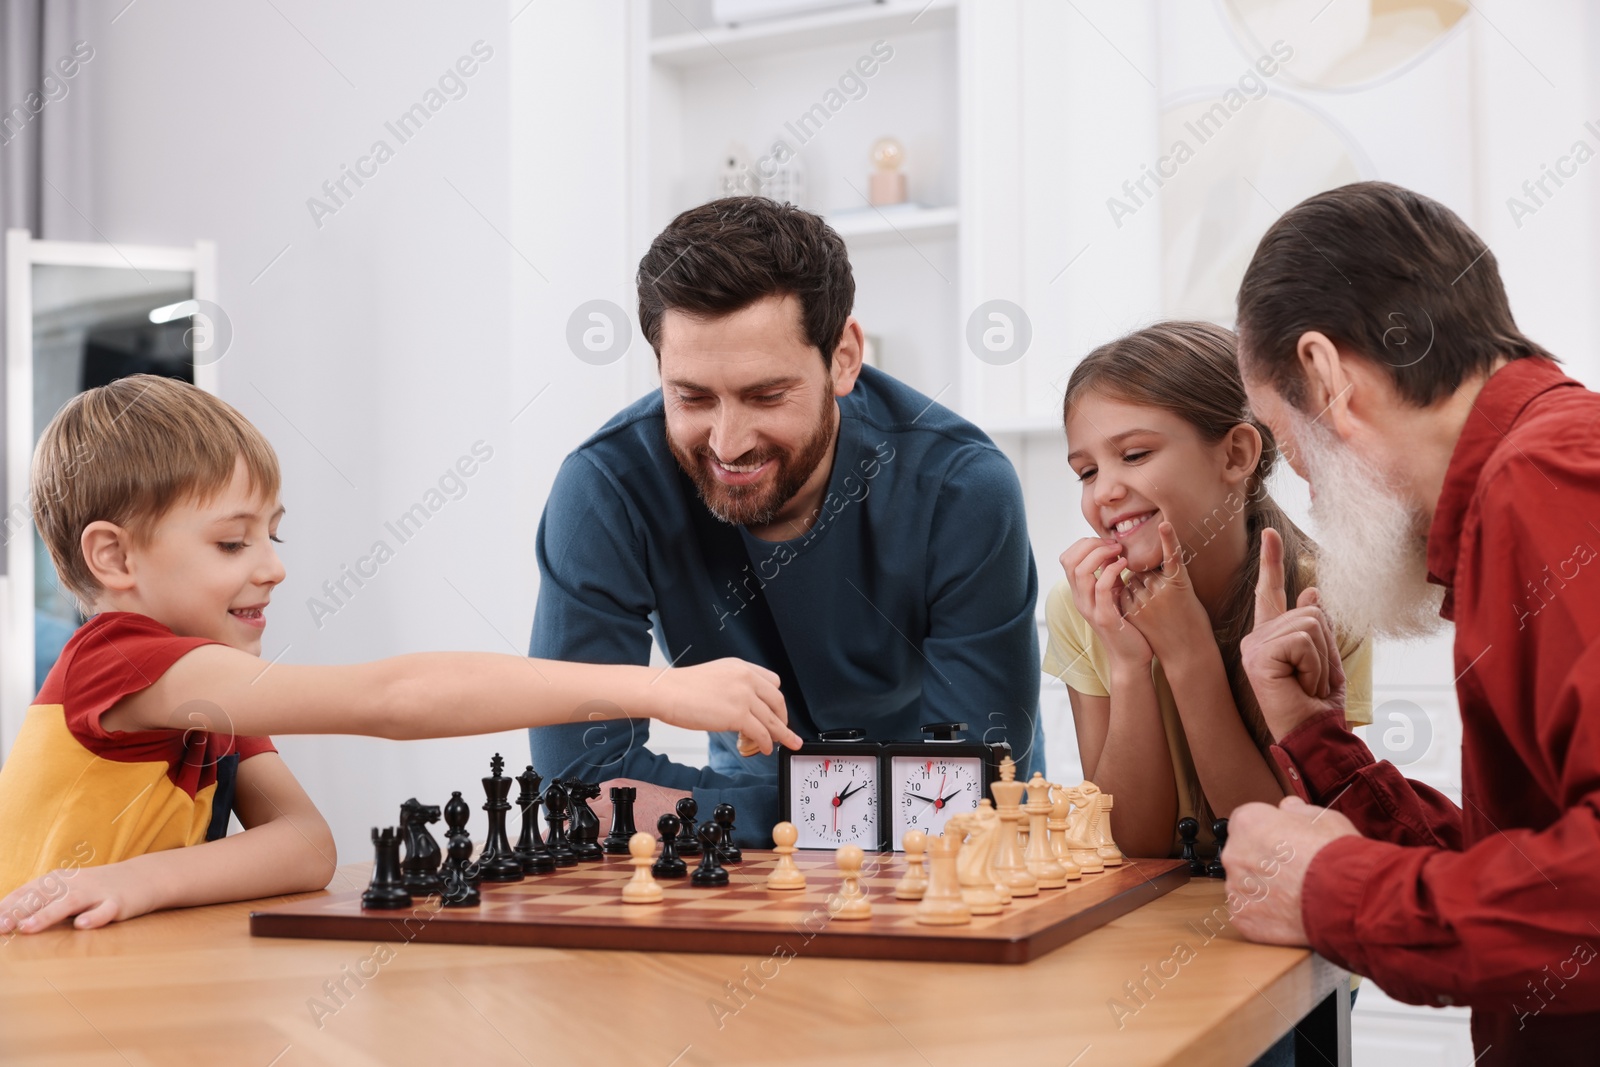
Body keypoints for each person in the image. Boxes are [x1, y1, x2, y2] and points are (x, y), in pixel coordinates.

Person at [0, 375, 797, 932]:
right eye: (232, 540)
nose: (273, 564)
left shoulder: (207, 699)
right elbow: (394, 698)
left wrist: (131, 882)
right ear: (113, 558)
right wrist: (654, 690)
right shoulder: (117, 660)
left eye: (272, 534)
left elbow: (306, 847)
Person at [1221, 180, 1600, 1063]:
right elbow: (1528, 866)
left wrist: (1329, 892)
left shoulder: (1552, 481)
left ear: (1325, 373)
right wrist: (1317, 741)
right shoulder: (1528, 480)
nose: (1307, 489)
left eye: (1290, 441)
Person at [529, 197, 1044, 841]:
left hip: (947, 851)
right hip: (744, 844)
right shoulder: (605, 490)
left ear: (844, 358)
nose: (727, 441)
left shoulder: (964, 489)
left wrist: (728, 807)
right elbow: (580, 783)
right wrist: (813, 809)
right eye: (691, 397)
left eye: (766, 395)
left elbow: (965, 790)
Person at [1047, 322, 1371, 859]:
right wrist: (1128, 666)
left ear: (1236, 456)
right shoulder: (1084, 606)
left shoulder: (1325, 600)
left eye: (1133, 456)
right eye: (1085, 471)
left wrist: (1189, 654)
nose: (1104, 490)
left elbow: (1280, 851)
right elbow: (1132, 845)